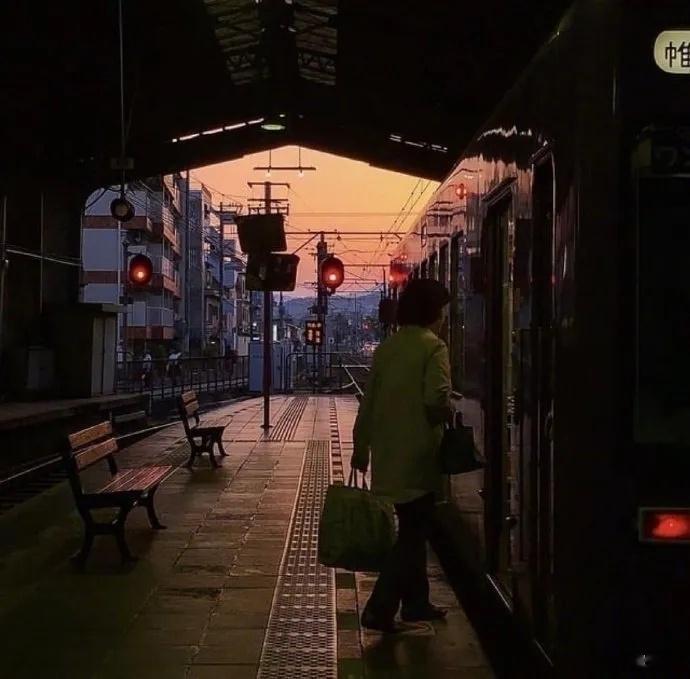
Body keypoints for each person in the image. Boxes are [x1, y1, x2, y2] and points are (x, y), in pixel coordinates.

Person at [351, 278, 452, 632]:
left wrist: (360, 448)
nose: (444, 317)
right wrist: (449, 412)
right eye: (442, 310)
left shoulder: (388, 348)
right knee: (412, 536)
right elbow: (436, 398)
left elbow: (368, 404)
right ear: (432, 312)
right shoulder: (433, 347)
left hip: (388, 454)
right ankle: (379, 608)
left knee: (412, 528)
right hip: (419, 456)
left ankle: (416, 603)